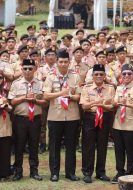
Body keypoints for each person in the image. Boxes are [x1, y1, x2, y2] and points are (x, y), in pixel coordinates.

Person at [43, 49, 81, 182]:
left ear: (69, 62)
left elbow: (79, 96)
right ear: (57, 62)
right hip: (55, 116)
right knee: (54, 146)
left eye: (66, 62)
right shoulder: (50, 76)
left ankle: (70, 173)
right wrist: (60, 93)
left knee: (71, 145)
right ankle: (54, 173)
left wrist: (70, 96)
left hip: (72, 116)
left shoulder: (75, 76)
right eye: (61, 62)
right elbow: (46, 95)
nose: (63, 64)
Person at [8, 59, 46, 181]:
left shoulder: (40, 83)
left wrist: (35, 100)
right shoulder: (16, 84)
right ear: (21, 69)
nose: (28, 71)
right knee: (19, 145)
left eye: (30, 68)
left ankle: (34, 171)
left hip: (35, 119)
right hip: (20, 119)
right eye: (25, 68)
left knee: (34, 145)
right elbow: (12, 101)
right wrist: (24, 98)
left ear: (35, 69)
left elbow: (45, 102)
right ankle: (18, 171)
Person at [80, 64, 115, 183]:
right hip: (90, 117)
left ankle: (100, 172)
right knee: (88, 146)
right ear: (92, 76)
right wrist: (96, 102)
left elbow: (112, 106)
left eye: (101, 74)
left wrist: (103, 105)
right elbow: (84, 105)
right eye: (96, 74)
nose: (99, 76)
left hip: (105, 117)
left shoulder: (110, 88)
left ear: (105, 76)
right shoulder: (87, 88)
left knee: (102, 145)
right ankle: (87, 172)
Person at [111, 64, 133, 183]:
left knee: (130, 151)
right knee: (119, 150)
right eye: (124, 73)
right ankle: (120, 172)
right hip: (118, 123)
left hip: (131, 125)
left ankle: (130, 172)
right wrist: (115, 103)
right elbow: (114, 102)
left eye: (129, 73)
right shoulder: (119, 88)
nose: (126, 76)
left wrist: (127, 104)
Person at [0, 73, 12, 180]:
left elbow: (11, 108)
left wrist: (6, 105)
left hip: (4, 123)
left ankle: (4, 172)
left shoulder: (6, 92)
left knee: (5, 148)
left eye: (0, 78)